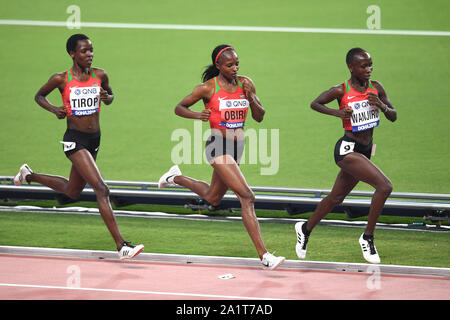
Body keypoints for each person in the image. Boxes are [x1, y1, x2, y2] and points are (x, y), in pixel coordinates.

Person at [14, 34, 144, 260]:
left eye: (91, 50)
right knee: (101, 189)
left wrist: (106, 97)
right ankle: (121, 246)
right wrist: (55, 109)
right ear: (72, 53)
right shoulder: (61, 79)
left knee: (72, 191)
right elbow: (39, 96)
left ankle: (28, 175)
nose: (89, 55)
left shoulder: (100, 75)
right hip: (74, 140)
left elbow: (111, 96)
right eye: (84, 51)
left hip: (95, 139)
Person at [158, 44, 285, 269]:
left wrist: (251, 97)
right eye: (229, 65)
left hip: (238, 147)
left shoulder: (246, 83)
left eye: (237, 63)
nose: (235, 68)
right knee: (247, 197)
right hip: (217, 146)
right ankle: (265, 255)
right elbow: (179, 107)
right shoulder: (207, 88)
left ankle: (174, 178)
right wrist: (199, 115)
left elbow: (259, 117)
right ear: (218, 66)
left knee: (212, 197)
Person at [295, 48, 397, 264]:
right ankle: (367, 237)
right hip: (347, 149)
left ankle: (305, 228)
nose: (368, 69)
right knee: (385, 186)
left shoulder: (376, 88)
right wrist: (338, 113)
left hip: (365, 150)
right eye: (363, 66)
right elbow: (315, 103)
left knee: (336, 198)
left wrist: (382, 106)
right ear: (351, 67)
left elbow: (394, 116)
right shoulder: (341, 90)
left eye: (370, 65)